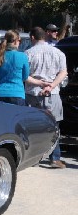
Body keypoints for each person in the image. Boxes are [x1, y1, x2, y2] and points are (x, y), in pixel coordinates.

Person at [25, 26, 68, 168]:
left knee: (33, 127)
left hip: (33, 94)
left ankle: (34, 158)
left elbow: (25, 76)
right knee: (54, 126)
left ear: (32, 37)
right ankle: (54, 158)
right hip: (53, 94)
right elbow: (63, 72)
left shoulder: (27, 54)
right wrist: (52, 85)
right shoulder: (59, 53)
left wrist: (40, 83)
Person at [0, 29, 48, 106]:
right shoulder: (22, 56)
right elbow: (25, 77)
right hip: (16, 94)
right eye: (20, 41)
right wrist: (41, 83)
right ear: (15, 41)